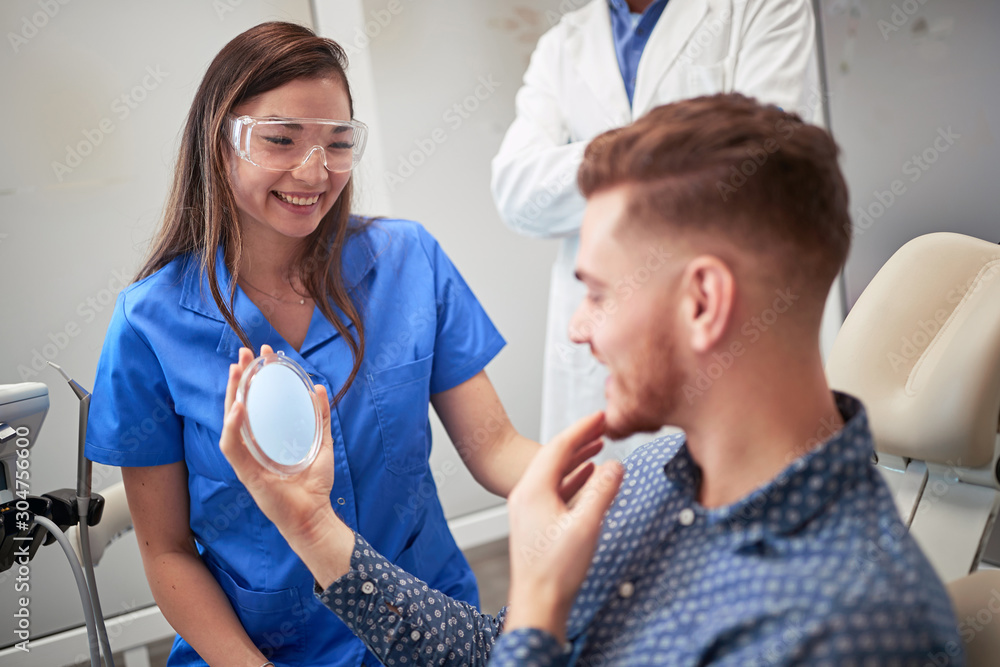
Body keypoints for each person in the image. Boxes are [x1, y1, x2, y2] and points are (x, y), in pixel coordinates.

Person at [220, 94, 964, 665]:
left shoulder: (847, 623)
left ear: (702, 302)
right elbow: (497, 649)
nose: (578, 327)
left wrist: (540, 605)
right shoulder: (649, 481)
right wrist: (312, 526)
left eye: (599, 291)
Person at [84, 22, 541, 667]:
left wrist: (603, 489)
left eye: (337, 143)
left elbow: (497, 447)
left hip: (431, 633)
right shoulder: (150, 325)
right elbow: (167, 552)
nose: (313, 171)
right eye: (280, 140)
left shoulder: (408, 261)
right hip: (267, 649)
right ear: (220, 144)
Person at [492, 0, 822, 460]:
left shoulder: (764, 8)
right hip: (603, 360)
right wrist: (649, 148)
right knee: (608, 514)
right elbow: (519, 194)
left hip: (718, 334)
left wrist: (599, 161)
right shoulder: (561, 47)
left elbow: (759, 168)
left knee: (736, 501)